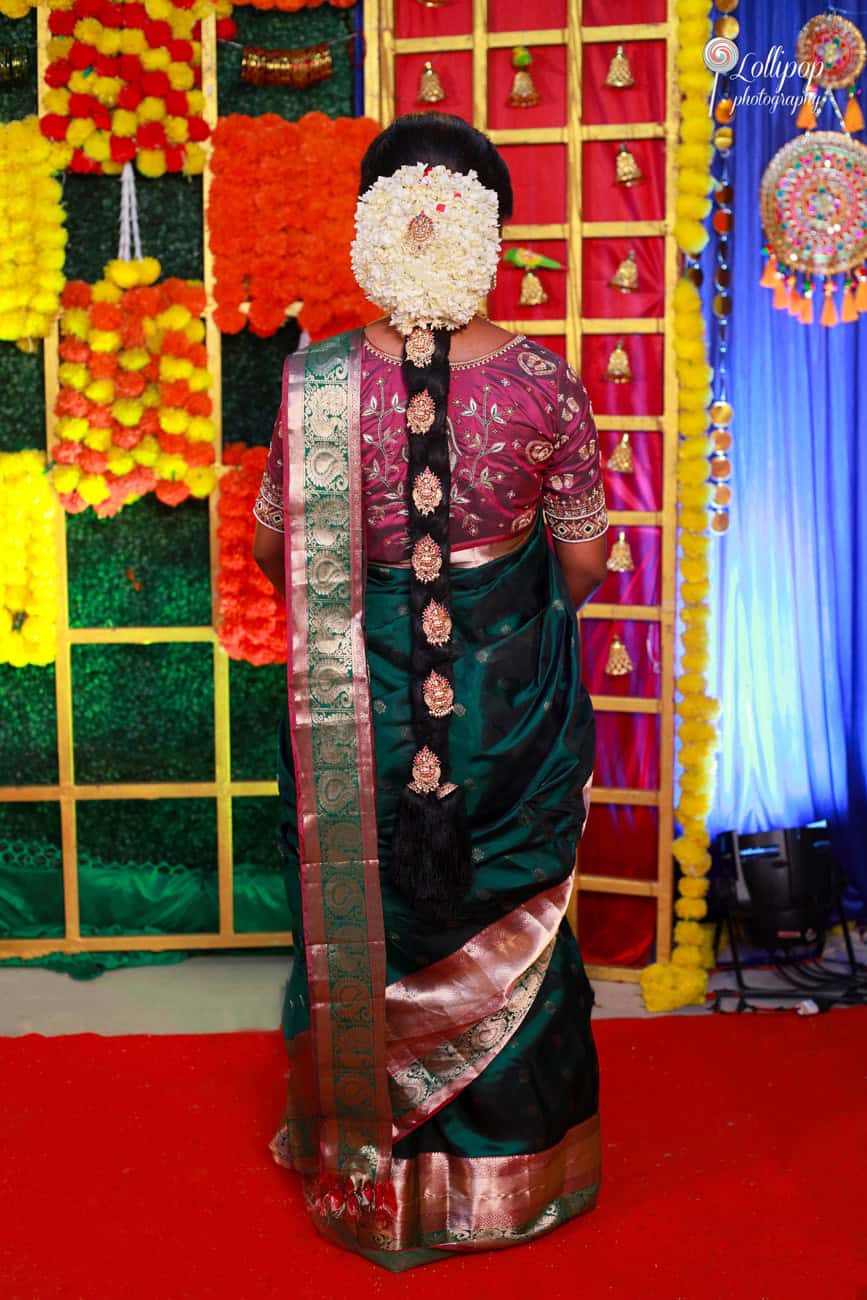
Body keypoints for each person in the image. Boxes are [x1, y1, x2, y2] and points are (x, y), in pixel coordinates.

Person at [252, 113, 608, 1272]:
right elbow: (584, 564)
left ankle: (365, 1153)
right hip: (508, 705)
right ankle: (509, 1173)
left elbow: (272, 551)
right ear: (489, 231)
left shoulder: (314, 387)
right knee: (501, 912)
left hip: (360, 702)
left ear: (376, 221)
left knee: (363, 899)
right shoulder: (546, 384)